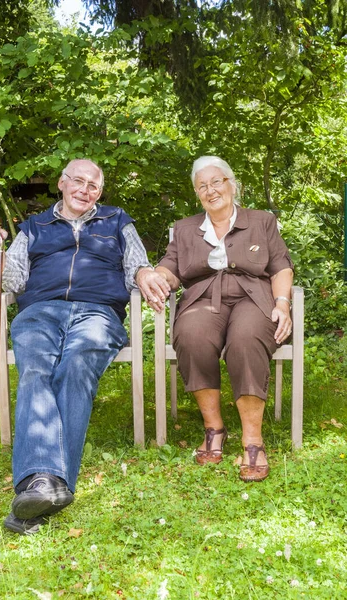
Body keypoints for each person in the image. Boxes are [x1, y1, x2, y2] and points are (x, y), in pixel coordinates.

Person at [0, 158, 155, 534]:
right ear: (61, 182)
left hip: (98, 312)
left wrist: (145, 273)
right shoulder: (34, 227)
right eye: (78, 181)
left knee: (76, 365)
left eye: (93, 185)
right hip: (40, 310)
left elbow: (138, 265)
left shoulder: (117, 221)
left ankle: (37, 486)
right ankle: (49, 485)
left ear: (100, 193)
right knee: (37, 370)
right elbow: (12, 280)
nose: (85, 190)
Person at [137, 156, 293, 482]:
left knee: (247, 339)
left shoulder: (261, 221)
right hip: (203, 300)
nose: (211, 190)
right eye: (202, 186)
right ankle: (214, 429)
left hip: (253, 298)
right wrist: (157, 278)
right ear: (197, 194)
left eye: (216, 182)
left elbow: (281, 266)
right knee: (191, 334)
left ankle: (252, 440)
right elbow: (171, 266)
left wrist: (282, 303)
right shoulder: (185, 229)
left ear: (231, 184)